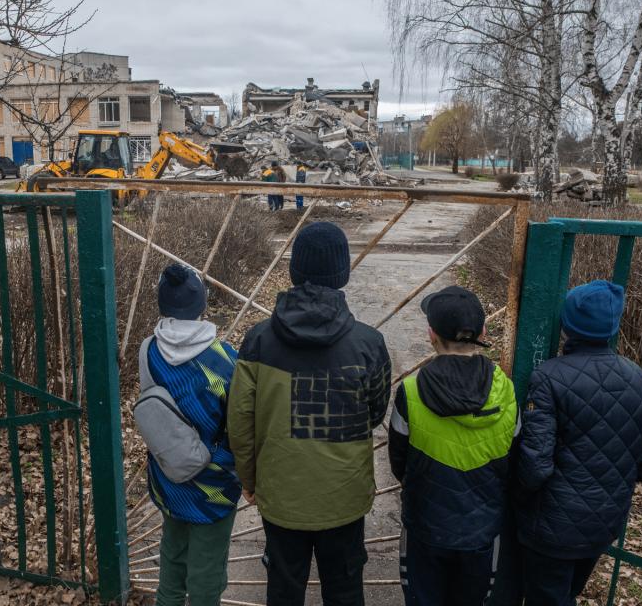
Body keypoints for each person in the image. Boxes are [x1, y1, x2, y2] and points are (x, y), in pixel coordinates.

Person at [228, 222, 392, 606]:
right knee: (346, 587)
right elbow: (374, 411)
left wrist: (249, 480)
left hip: (281, 493)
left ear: (294, 270)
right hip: (345, 494)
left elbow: (241, 423)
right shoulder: (369, 343)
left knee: (284, 588)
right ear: (343, 273)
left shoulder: (258, 340)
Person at [515, 280, 642, 606]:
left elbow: (535, 467)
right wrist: (610, 477)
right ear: (612, 327)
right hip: (604, 522)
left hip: (552, 527)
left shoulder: (548, 377)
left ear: (567, 324)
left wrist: (516, 500)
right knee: (567, 594)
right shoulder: (637, 377)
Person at [387, 285, 519, 606]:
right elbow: (514, 459)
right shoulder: (506, 390)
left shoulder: (411, 391)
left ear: (431, 334)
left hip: (426, 527)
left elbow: (398, 463)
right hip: (482, 530)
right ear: (483, 331)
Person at [142, 264, 241, 606]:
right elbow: (238, 426)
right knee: (207, 575)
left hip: (168, 477)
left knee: (172, 562)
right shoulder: (225, 359)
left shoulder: (148, 352)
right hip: (215, 485)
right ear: (201, 305)